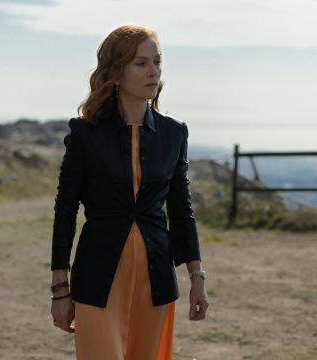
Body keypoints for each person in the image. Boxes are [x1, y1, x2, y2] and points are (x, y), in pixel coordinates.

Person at [49, 24, 209, 359]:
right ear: (116, 73)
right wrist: (60, 290)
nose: (154, 71)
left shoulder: (174, 133)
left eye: (157, 61)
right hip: (98, 277)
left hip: (157, 280)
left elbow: (181, 209)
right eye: (141, 63)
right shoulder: (85, 133)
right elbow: (65, 211)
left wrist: (197, 277)